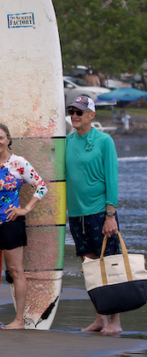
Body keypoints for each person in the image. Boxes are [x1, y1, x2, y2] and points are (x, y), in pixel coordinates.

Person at [0, 123, 47, 330]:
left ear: (8, 140)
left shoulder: (18, 163)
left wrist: (26, 209)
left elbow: (41, 186)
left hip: (11, 222)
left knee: (15, 270)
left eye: (1, 138)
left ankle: (18, 320)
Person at [65, 96, 123, 334]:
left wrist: (111, 213)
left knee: (109, 266)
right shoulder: (66, 141)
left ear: (91, 114)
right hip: (77, 214)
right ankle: (99, 318)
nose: (75, 116)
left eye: (79, 111)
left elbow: (113, 177)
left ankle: (115, 321)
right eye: (72, 111)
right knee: (90, 268)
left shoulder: (104, 140)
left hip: (101, 212)